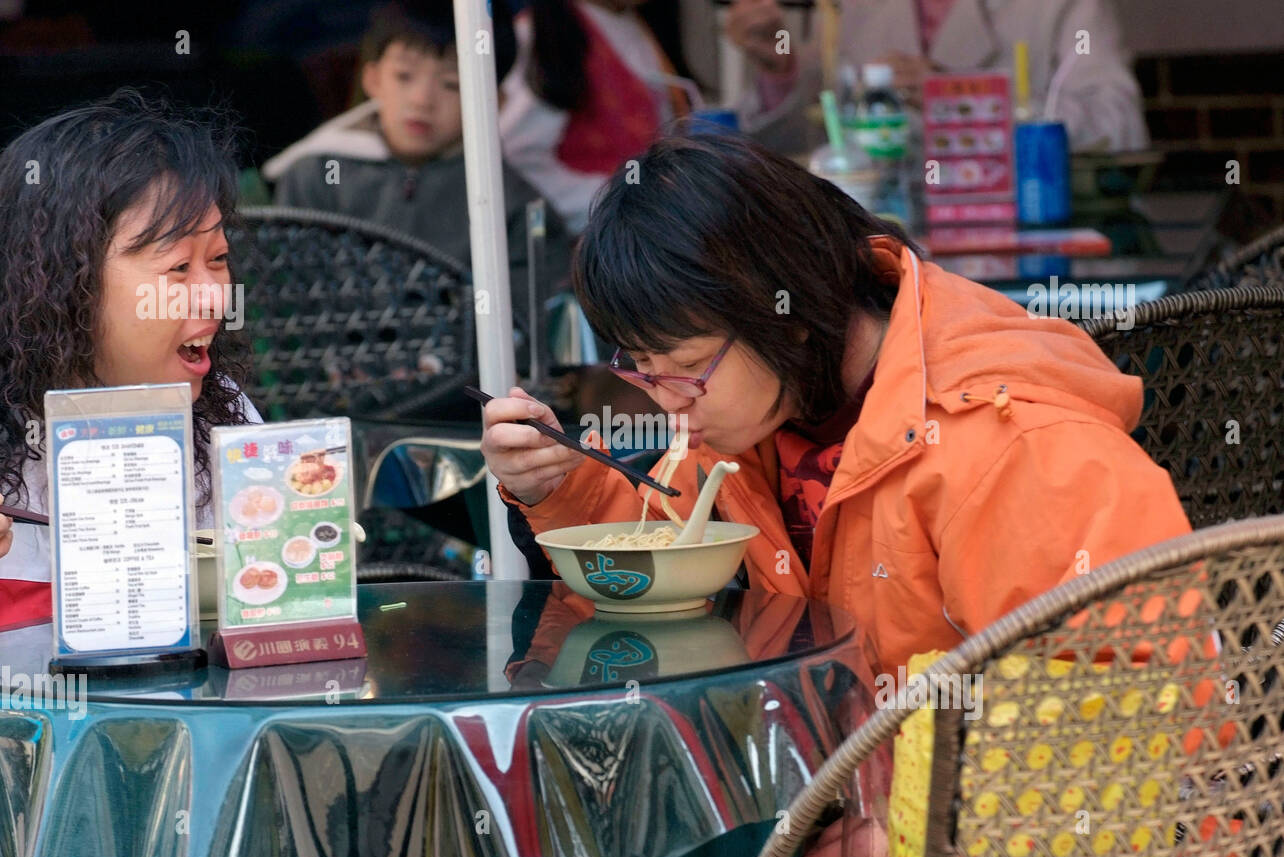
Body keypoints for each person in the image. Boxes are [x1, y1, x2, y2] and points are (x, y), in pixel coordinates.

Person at [481, 132, 1190, 682]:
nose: (670, 403)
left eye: (691, 368)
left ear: (787, 312)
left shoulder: (1016, 446)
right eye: (643, 369)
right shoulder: (755, 414)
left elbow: (1137, 715)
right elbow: (657, 557)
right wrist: (558, 484)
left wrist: (904, 829)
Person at [0, 89, 259, 634]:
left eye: (220, 260)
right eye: (178, 267)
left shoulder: (226, 418)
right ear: (67, 285)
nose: (215, 299)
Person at [263, 0, 573, 323]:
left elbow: (529, 324)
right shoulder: (315, 176)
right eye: (404, 75)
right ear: (372, 79)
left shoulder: (516, 207)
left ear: (494, 102)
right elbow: (285, 297)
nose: (422, 99)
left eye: (452, 83)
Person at [726, 0, 1149, 153]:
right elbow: (821, 146)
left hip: (1035, 274)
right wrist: (782, 71)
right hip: (888, 273)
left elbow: (1118, 125)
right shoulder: (852, 9)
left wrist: (961, 99)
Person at [499, 0, 695, 233]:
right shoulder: (543, 34)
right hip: (588, 237)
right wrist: (623, 201)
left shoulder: (637, 26)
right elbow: (520, 160)